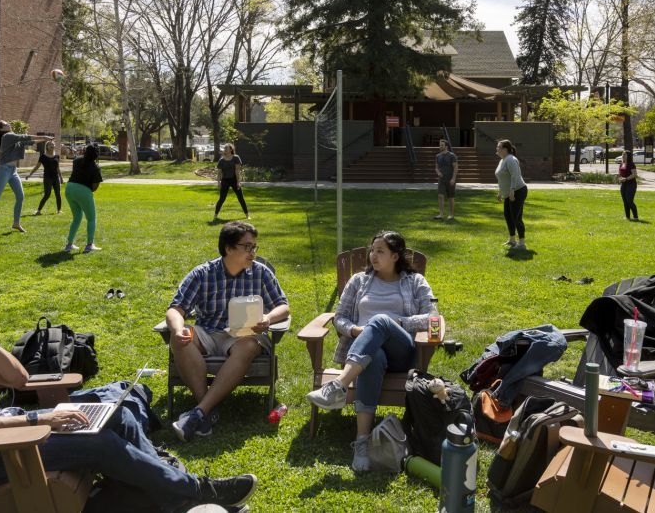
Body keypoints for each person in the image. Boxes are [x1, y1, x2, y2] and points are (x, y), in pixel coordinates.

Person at [0, 264, 258, 511]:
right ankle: (196, 492)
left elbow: (18, 380)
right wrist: (40, 418)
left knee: (120, 416)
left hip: (8, 432)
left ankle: (170, 497)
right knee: (98, 441)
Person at [305, 231, 435, 471]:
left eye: (380, 251)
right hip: (364, 353)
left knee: (381, 320)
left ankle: (339, 386)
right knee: (373, 356)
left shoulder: (414, 282)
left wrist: (398, 323)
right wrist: (355, 330)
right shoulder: (359, 281)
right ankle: (362, 443)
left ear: (395, 256)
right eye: (372, 250)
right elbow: (340, 317)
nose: (373, 255)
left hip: (401, 353)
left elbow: (433, 317)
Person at [166, 221, 289, 442]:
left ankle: (199, 413)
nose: (253, 252)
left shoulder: (261, 273)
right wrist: (177, 329)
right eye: (247, 247)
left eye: (254, 247)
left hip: (244, 334)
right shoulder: (203, 274)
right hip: (208, 332)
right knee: (182, 338)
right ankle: (204, 411)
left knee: (250, 345)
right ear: (229, 248)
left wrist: (268, 318)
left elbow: (283, 305)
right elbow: (176, 309)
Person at [0, 121, 53, 232]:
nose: (9, 124)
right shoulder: (7, 136)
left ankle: (16, 223)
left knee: (20, 196)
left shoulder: (13, 139)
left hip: (13, 171)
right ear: (2, 130)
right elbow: (24, 136)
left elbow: (28, 141)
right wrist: (44, 137)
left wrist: (45, 140)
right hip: (4, 170)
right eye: (6, 124)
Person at [64, 144, 103, 253]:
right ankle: (89, 245)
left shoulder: (76, 161)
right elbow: (94, 187)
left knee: (77, 218)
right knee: (91, 219)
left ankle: (69, 245)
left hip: (69, 188)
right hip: (83, 190)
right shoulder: (95, 167)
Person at [495, 139, 528, 249]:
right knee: (508, 216)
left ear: (505, 149)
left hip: (518, 190)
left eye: (498, 147)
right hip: (509, 193)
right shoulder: (502, 160)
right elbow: (501, 178)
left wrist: (512, 190)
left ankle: (522, 243)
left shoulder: (511, 159)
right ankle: (512, 240)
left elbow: (515, 175)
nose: (497, 149)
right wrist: (500, 192)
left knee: (516, 217)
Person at [26, 140, 63, 215]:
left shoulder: (57, 156)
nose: (52, 146)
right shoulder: (43, 156)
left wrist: (61, 177)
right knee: (47, 194)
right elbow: (37, 167)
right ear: (47, 147)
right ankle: (38, 210)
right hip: (47, 178)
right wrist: (30, 174)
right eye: (50, 145)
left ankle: (59, 210)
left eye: (53, 144)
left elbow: (57, 167)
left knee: (58, 194)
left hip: (56, 178)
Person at [214, 143, 249, 220]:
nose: (225, 150)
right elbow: (219, 172)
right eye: (224, 148)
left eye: (226, 148)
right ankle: (215, 215)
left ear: (231, 149)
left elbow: (237, 171)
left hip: (234, 180)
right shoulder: (221, 160)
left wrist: (238, 182)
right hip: (225, 180)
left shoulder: (236, 158)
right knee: (222, 199)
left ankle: (247, 215)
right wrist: (219, 182)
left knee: (241, 198)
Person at [434, 139, 459, 220]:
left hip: (450, 179)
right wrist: (438, 172)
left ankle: (451, 215)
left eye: (442, 145)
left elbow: (455, 167)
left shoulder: (452, 156)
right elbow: (436, 167)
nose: (440, 146)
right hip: (441, 179)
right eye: (440, 145)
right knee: (440, 195)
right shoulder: (438, 156)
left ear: (446, 146)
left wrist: (453, 178)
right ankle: (441, 214)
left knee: (450, 197)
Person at [618, 150, 640, 221]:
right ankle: (627, 217)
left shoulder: (631, 164)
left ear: (628, 156)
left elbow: (634, 174)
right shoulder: (622, 164)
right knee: (625, 201)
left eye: (625, 155)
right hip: (623, 184)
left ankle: (636, 217)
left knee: (629, 201)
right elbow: (620, 174)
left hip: (631, 184)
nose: (623, 156)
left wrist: (626, 179)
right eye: (622, 154)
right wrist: (620, 178)